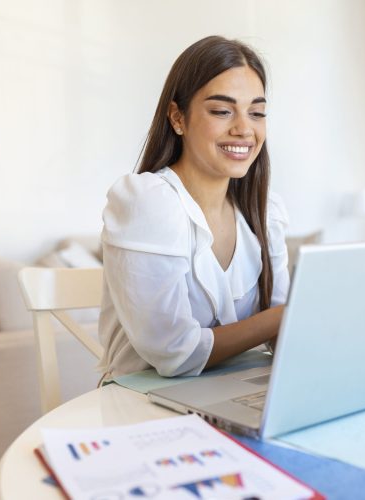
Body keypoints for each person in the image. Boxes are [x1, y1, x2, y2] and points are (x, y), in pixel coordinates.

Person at [97, 36, 290, 379]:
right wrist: (283, 317)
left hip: (231, 394)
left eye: (257, 113)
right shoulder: (148, 203)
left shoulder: (264, 212)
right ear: (177, 118)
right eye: (222, 111)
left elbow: (284, 336)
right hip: (141, 409)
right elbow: (176, 353)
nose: (244, 128)